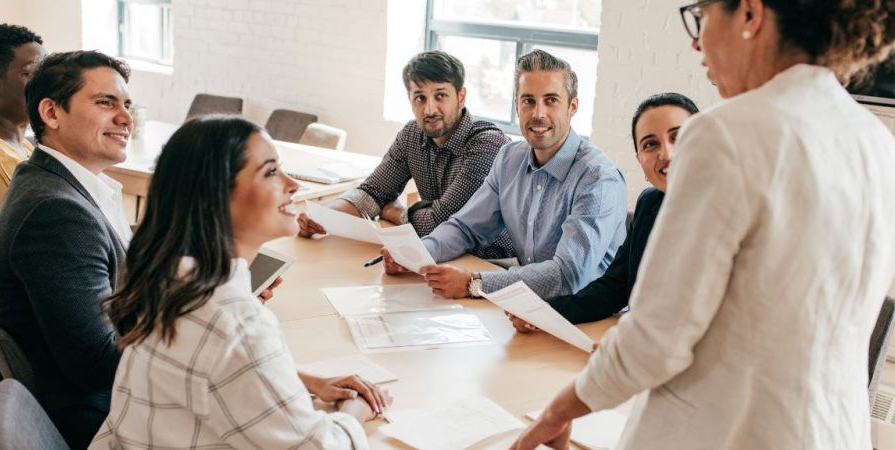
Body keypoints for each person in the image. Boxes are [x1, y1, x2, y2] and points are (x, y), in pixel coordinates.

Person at [511, 0, 895, 448]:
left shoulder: (724, 134)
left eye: (702, 16)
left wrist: (558, 411)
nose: (696, 41)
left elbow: (657, 338)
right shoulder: (878, 144)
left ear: (749, 14)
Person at [91, 116, 389, 449]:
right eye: (271, 172)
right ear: (217, 196)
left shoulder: (170, 279)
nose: (293, 185)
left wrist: (304, 381)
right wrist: (355, 412)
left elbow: (214, 374)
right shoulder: (234, 323)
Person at [384, 50, 627, 300]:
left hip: (590, 318)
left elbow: (568, 276)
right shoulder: (510, 158)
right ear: (517, 107)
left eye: (551, 100)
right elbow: (466, 227)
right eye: (528, 101)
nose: (538, 113)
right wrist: (416, 254)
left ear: (572, 107)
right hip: (529, 307)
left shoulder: (597, 178)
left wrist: (474, 284)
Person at [0, 49, 135, 449]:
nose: (125, 118)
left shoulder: (56, 183)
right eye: (106, 103)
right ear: (51, 114)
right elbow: (98, 365)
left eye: (127, 104)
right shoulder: (56, 212)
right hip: (108, 420)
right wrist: (200, 333)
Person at [507, 93, 698, 333]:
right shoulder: (650, 204)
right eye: (650, 144)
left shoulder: (736, 209)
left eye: (678, 137)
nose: (666, 154)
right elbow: (613, 288)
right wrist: (544, 313)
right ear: (640, 160)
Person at [297, 51, 514, 258]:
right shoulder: (412, 134)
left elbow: (443, 223)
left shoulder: (487, 144)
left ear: (461, 96)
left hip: (492, 262)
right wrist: (322, 216)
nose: (430, 110)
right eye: (420, 98)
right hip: (438, 254)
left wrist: (399, 213)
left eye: (440, 96)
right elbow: (372, 192)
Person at [0, 23, 45, 286]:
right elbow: (34, 252)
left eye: (47, 71)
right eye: (31, 73)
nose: (45, 82)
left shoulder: (25, 148)